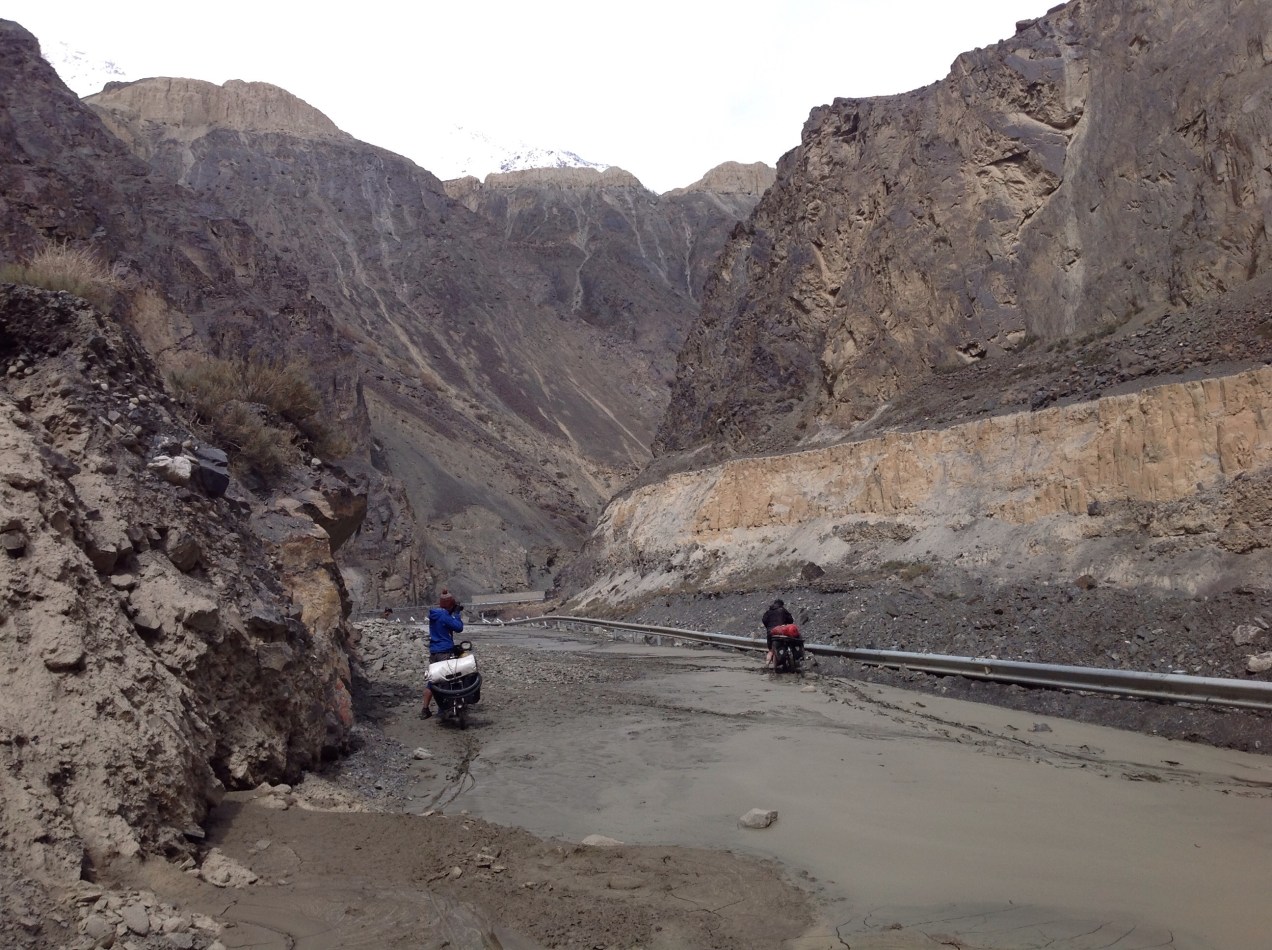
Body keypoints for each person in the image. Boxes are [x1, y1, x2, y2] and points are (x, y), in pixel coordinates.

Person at [420, 590, 464, 719]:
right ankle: (443, 709)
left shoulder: (435, 614)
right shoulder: (444, 616)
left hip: (434, 651)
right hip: (444, 651)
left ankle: (425, 709)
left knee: (433, 680)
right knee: (447, 679)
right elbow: (459, 628)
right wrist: (457, 614)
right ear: (450, 604)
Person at [761, 598, 795, 668]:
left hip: (770, 632)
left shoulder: (769, 611)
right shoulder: (783, 610)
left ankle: (767, 664)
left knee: (771, 650)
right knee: (784, 646)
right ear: (781, 604)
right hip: (781, 632)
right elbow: (791, 620)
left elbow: (764, 620)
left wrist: (768, 627)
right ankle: (785, 663)